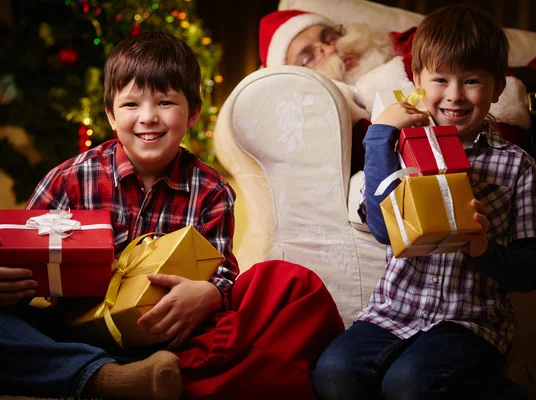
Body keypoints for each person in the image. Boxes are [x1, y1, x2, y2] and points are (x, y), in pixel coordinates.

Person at [0, 31, 344, 400]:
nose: (148, 117)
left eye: (164, 102)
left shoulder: (211, 192)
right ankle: (103, 377)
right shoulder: (70, 180)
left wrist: (211, 294)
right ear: (111, 116)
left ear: (193, 112)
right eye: (131, 105)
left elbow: (224, 273)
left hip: (158, 334)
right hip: (66, 330)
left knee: (253, 312)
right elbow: (22, 254)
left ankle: (130, 373)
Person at [310, 5, 536, 400]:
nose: (455, 95)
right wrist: (380, 135)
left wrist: (483, 248)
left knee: (407, 383)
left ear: (496, 89)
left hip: (469, 323)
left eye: (471, 80)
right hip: (392, 314)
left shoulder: (517, 167)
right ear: (418, 82)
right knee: (333, 372)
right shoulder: (400, 150)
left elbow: (534, 270)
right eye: (440, 79)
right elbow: (382, 229)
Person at [259, 9, 536, 183]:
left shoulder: (408, 46)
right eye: (308, 56)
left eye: (329, 35)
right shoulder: (345, 108)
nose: (329, 48)